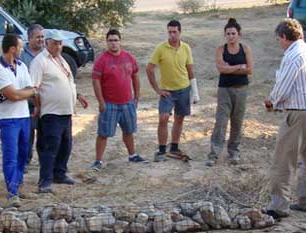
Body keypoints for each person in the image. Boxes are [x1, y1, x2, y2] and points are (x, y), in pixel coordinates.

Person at [262, 19, 306, 219]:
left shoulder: (294, 56)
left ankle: (279, 205)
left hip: (300, 113)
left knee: (284, 159)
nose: (279, 43)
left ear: (284, 36)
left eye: (279, 39)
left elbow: (283, 87)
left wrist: (271, 101)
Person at [29, 29, 89, 193]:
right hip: (50, 112)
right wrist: (37, 106)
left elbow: (68, 82)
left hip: (65, 111)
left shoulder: (61, 60)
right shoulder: (39, 61)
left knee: (65, 144)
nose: (58, 46)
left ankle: (60, 173)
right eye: (55, 43)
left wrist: (78, 95)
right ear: (47, 43)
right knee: (50, 145)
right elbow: (33, 88)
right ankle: (45, 180)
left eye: (60, 43)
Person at [0, 34, 38, 208]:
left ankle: (19, 185)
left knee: (23, 154)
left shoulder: (21, 66)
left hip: (23, 115)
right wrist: (23, 93)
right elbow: (14, 94)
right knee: (11, 155)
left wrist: (18, 93)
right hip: (8, 118)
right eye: (20, 46)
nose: (22, 49)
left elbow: (23, 91)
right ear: (12, 49)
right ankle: (12, 192)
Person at [90, 29, 144, 171]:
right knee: (103, 134)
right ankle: (98, 161)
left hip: (127, 103)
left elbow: (135, 77)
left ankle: (132, 155)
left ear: (120, 41)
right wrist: (101, 102)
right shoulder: (101, 61)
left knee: (129, 131)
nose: (113, 43)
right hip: (109, 104)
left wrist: (136, 97)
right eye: (110, 40)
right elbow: (95, 82)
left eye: (116, 40)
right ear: (106, 42)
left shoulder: (129, 58)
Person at [146, 20, 197, 162]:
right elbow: (149, 69)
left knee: (179, 118)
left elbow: (190, 70)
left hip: (183, 89)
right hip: (167, 91)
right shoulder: (160, 48)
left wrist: (195, 92)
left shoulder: (186, 48)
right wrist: (157, 89)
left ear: (180, 32)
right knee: (163, 118)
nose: (172, 35)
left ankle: (174, 147)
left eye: (175, 32)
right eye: (169, 32)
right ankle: (161, 150)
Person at [207, 18, 253, 167]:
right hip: (224, 90)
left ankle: (234, 152)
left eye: (233, 33)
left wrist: (230, 68)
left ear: (239, 34)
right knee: (221, 121)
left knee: (237, 121)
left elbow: (249, 70)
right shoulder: (221, 49)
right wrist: (239, 66)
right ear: (225, 35)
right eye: (228, 33)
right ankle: (214, 154)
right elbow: (220, 69)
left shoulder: (245, 49)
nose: (230, 36)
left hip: (241, 89)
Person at [21, 24, 45, 169]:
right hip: (26, 101)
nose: (41, 40)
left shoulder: (46, 53)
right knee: (27, 134)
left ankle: (44, 162)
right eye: (38, 37)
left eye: (42, 37)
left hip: (44, 101)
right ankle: (24, 162)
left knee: (44, 134)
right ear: (29, 38)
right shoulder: (21, 54)